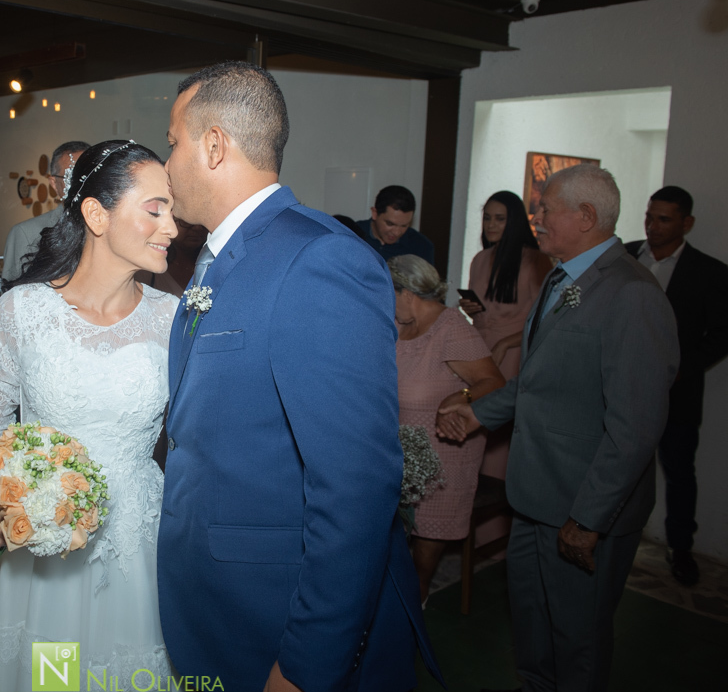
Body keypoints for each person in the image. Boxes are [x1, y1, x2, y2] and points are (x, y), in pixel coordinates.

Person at [158, 61, 440, 692]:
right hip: (215, 601)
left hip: (276, 618)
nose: (167, 161)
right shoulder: (218, 255)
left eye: (173, 142)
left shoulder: (318, 259)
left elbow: (356, 486)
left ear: (213, 145)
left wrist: (308, 668)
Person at [0, 140, 179, 690]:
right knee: (54, 676)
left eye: (172, 209)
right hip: (41, 546)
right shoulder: (23, 311)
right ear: (97, 214)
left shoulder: (174, 319)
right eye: (155, 209)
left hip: (137, 543)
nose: (172, 227)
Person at [439, 164, 679, 692]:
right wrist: (479, 414)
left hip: (582, 506)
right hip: (535, 495)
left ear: (587, 216)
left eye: (546, 207)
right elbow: (540, 383)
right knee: (532, 629)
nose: (536, 217)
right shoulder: (560, 276)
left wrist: (588, 519)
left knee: (577, 642)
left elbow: (635, 427)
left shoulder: (631, 294)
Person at [626, 186, 728, 586]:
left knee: (679, 470)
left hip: (676, 394)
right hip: (620, 388)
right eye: (649, 216)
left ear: (686, 223)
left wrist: (682, 368)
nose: (652, 226)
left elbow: (721, 333)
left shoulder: (710, 272)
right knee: (618, 464)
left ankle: (681, 547)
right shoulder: (625, 255)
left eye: (664, 219)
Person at [389, 254, 505, 603]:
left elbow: (495, 382)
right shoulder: (396, 324)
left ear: (406, 293)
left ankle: (417, 601)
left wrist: (462, 395)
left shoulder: (450, 327)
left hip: (443, 456)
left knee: (421, 553)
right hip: (398, 451)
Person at [460, 192, 554, 486]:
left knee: (500, 431)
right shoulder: (480, 259)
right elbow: (482, 314)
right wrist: (471, 309)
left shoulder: (535, 260)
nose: (490, 225)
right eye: (487, 218)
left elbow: (544, 320)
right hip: (481, 348)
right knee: (475, 425)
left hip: (513, 351)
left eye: (499, 219)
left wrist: (504, 343)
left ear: (513, 222)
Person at [1, 140, 90, 282]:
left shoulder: (112, 227)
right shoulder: (26, 233)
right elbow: (13, 294)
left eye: (88, 175)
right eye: (71, 177)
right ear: (54, 184)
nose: (81, 183)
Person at [358, 185, 435, 263]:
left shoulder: (421, 247)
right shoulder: (352, 235)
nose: (396, 232)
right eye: (390, 224)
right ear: (375, 213)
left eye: (404, 225)